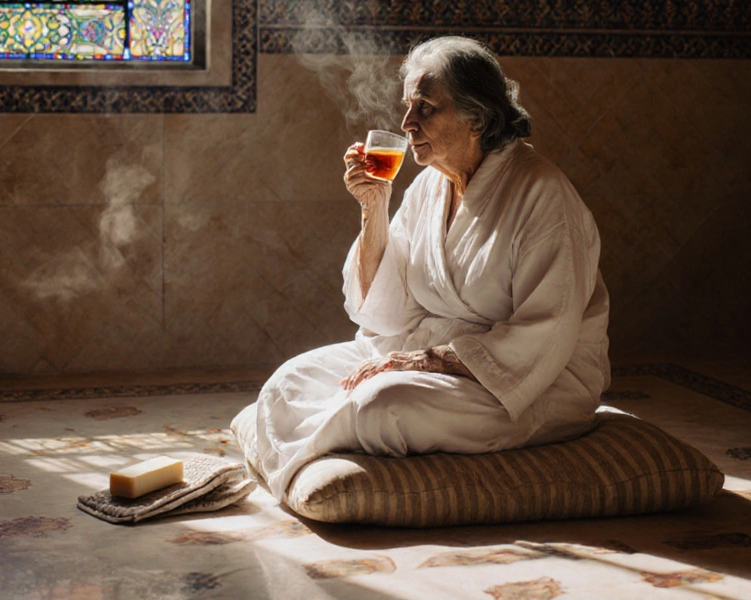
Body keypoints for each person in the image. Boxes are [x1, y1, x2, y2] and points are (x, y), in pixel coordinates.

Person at [236, 36, 611, 501]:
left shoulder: (542, 194)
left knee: (380, 405)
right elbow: (386, 313)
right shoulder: (429, 188)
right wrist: (374, 206)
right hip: (431, 353)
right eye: (408, 106)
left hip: (525, 384)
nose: (407, 123)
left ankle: (303, 467)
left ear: (477, 116)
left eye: (426, 107)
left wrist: (426, 361)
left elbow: (547, 335)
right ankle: (312, 459)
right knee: (289, 380)